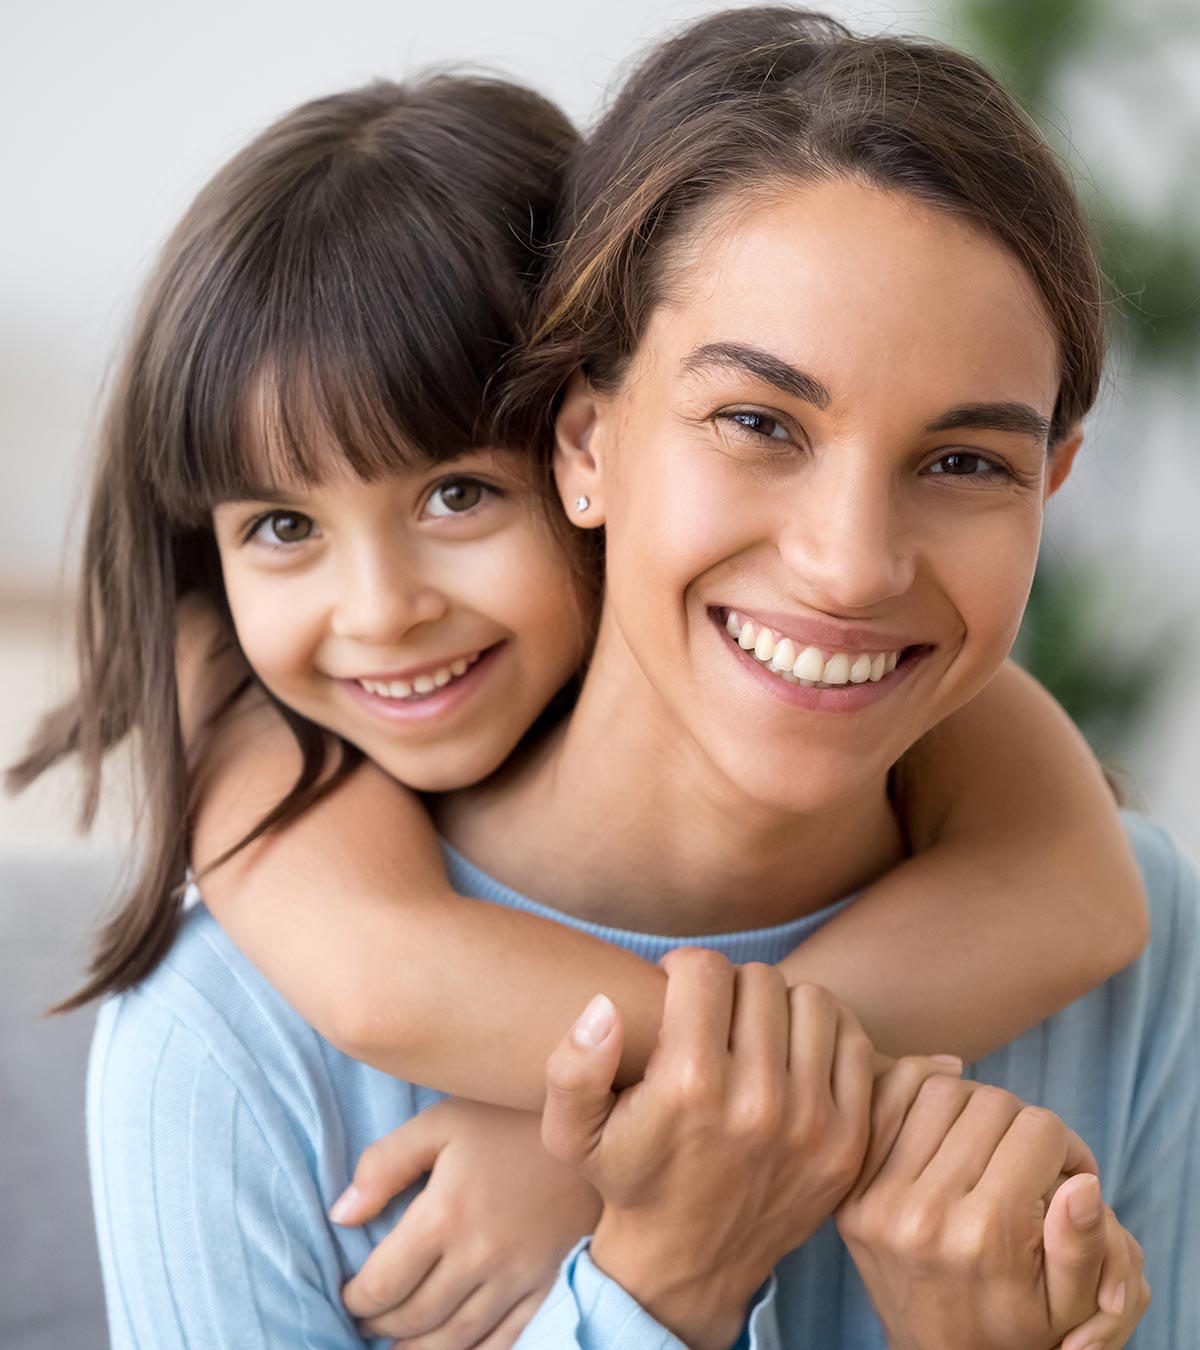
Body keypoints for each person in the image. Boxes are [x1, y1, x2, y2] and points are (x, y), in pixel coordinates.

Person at [7, 15, 1184, 1349]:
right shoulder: (230, 1036)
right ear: (588, 445)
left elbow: (1084, 879)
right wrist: (652, 1280)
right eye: (757, 422)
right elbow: (375, 971)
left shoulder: (1135, 943)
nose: (853, 568)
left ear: (1051, 481)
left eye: (967, 460)